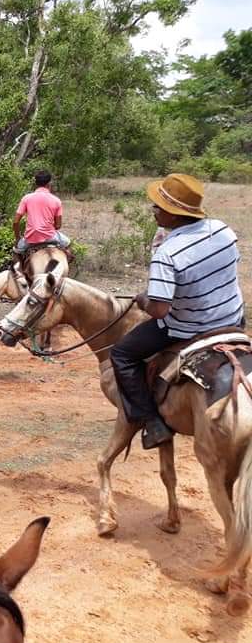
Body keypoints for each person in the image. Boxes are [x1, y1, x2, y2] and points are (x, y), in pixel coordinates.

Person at [111, 173, 244, 449]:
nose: (154, 210)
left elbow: (160, 310)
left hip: (188, 327)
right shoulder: (223, 230)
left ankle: (151, 422)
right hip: (232, 319)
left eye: (159, 206)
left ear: (174, 214)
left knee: (122, 354)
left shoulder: (168, 252)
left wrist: (143, 300)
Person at [12, 170, 71, 255]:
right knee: (68, 243)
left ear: (36, 183)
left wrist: (18, 238)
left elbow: (15, 221)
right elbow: (58, 226)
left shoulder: (26, 198)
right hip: (51, 237)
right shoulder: (56, 200)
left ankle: (17, 268)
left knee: (16, 251)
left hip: (30, 238)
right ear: (49, 183)